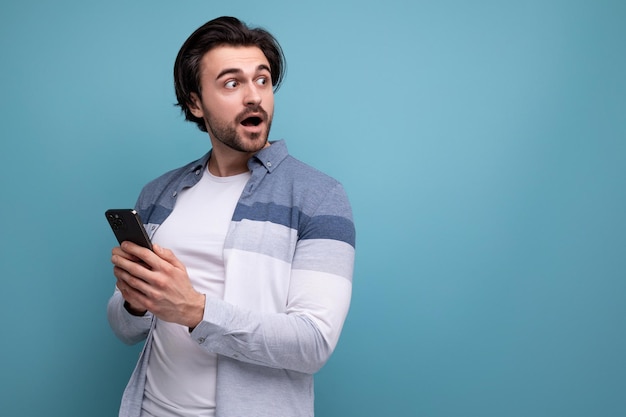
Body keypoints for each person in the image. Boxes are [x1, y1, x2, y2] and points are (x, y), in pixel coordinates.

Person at [107, 16, 356, 417]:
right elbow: (123, 327)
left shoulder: (319, 197)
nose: (254, 96)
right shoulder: (158, 194)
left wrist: (195, 310)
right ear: (194, 103)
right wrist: (135, 304)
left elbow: (313, 343)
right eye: (231, 83)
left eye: (262, 80)